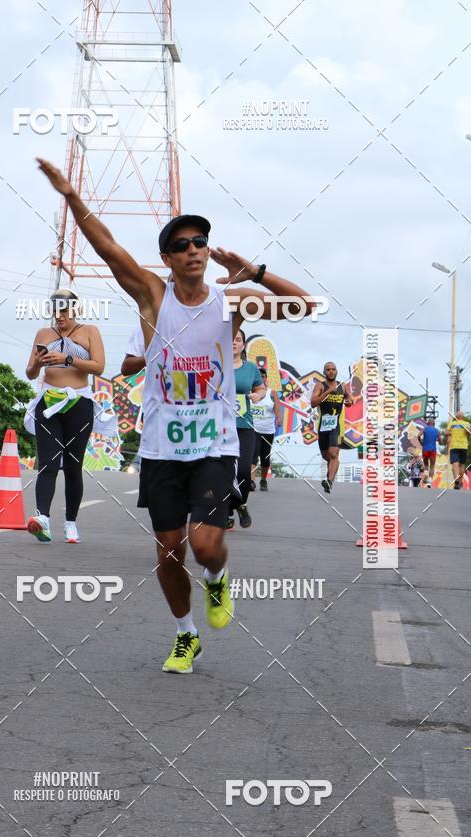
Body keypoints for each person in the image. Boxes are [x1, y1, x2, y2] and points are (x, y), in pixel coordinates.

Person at [37, 156, 314, 673]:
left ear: (208, 252)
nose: (193, 250)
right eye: (182, 244)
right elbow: (108, 248)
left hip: (214, 444)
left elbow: (306, 306)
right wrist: (72, 196)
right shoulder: (152, 295)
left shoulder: (232, 302)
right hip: (162, 448)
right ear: (167, 257)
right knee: (168, 552)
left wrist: (255, 272)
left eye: (200, 242)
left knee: (206, 548)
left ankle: (216, 579)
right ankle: (186, 634)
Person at [24, 289, 105, 543]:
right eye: (54, 311)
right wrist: (38, 363)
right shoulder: (43, 334)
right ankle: (43, 519)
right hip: (49, 402)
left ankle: (71, 523)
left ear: (75, 310)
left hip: (78, 402)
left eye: (64, 310)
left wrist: (68, 358)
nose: (58, 316)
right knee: (48, 462)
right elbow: (30, 372)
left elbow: (99, 367)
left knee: (72, 466)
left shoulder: (89, 331)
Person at [227, 330, 266, 529]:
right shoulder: (217, 365)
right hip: (219, 427)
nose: (234, 342)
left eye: (238, 340)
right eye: (231, 339)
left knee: (243, 470)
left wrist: (259, 395)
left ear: (243, 345)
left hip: (244, 426)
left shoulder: (250, 368)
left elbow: (261, 388)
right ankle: (227, 513)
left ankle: (240, 504)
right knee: (222, 472)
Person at [310, 362, 353, 493]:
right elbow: (313, 403)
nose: (331, 371)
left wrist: (349, 401)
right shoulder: (320, 386)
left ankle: (329, 481)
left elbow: (349, 398)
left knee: (334, 454)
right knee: (326, 456)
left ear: (336, 371)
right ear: (324, 372)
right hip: (323, 426)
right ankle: (330, 475)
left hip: (336, 426)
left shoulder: (342, 386)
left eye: (333, 369)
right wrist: (327, 392)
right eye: (328, 369)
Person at [251, 367, 281, 492]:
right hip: (253, 429)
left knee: (265, 456)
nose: (261, 378)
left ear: (266, 378)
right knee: (253, 454)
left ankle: (263, 480)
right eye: (258, 376)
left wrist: (279, 418)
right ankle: (251, 481)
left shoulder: (272, 393)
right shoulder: (249, 392)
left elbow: (277, 409)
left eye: (263, 376)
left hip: (268, 430)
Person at [121, 323, 146, 471]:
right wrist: (151, 355)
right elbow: (126, 367)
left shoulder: (203, 321)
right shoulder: (147, 326)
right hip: (157, 410)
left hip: (196, 410)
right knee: (154, 473)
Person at [445, 410, 470, 489]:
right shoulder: (467, 424)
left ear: (456, 417)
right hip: (463, 446)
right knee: (462, 465)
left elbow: (446, 433)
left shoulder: (452, 424)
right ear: (463, 417)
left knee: (455, 464)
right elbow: (469, 432)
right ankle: (459, 481)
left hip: (454, 446)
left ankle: (456, 479)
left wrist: (451, 432)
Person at [418, 417, 440, 485]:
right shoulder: (437, 431)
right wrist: (437, 440)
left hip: (425, 449)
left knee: (426, 464)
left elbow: (418, 436)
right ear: (434, 423)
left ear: (428, 423)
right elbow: (440, 442)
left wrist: (421, 442)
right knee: (432, 466)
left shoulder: (424, 429)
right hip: (433, 450)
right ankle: (430, 481)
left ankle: (426, 473)